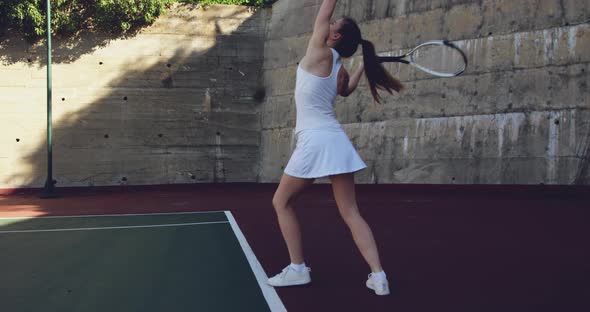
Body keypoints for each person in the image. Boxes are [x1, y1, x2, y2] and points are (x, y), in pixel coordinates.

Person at [267, 0, 403, 296]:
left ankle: (297, 268)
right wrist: (361, 68)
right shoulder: (338, 66)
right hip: (335, 141)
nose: (327, 25)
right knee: (351, 212)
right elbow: (345, 91)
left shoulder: (319, 51)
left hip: (315, 141)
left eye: (333, 24)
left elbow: (325, 8)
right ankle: (379, 277)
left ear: (335, 36)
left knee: (281, 202)